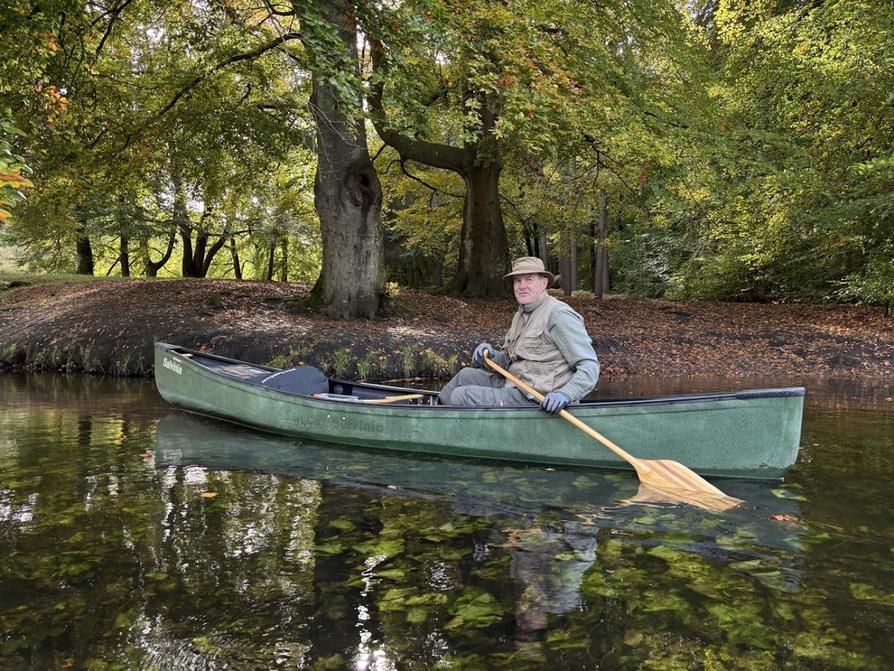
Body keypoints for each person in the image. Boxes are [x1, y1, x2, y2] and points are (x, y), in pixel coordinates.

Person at [438, 256, 599, 412]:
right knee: (465, 376)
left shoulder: (558, 315)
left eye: (529, 279)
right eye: (517, 280)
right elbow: (508, 360)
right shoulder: (521, 315)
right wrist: (490, 356)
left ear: (543, 283)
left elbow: (589, 366)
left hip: (537, 398)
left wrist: (565, 394)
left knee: (461, 396)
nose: (522, 286)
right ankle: (434, 417)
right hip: (515, 384)